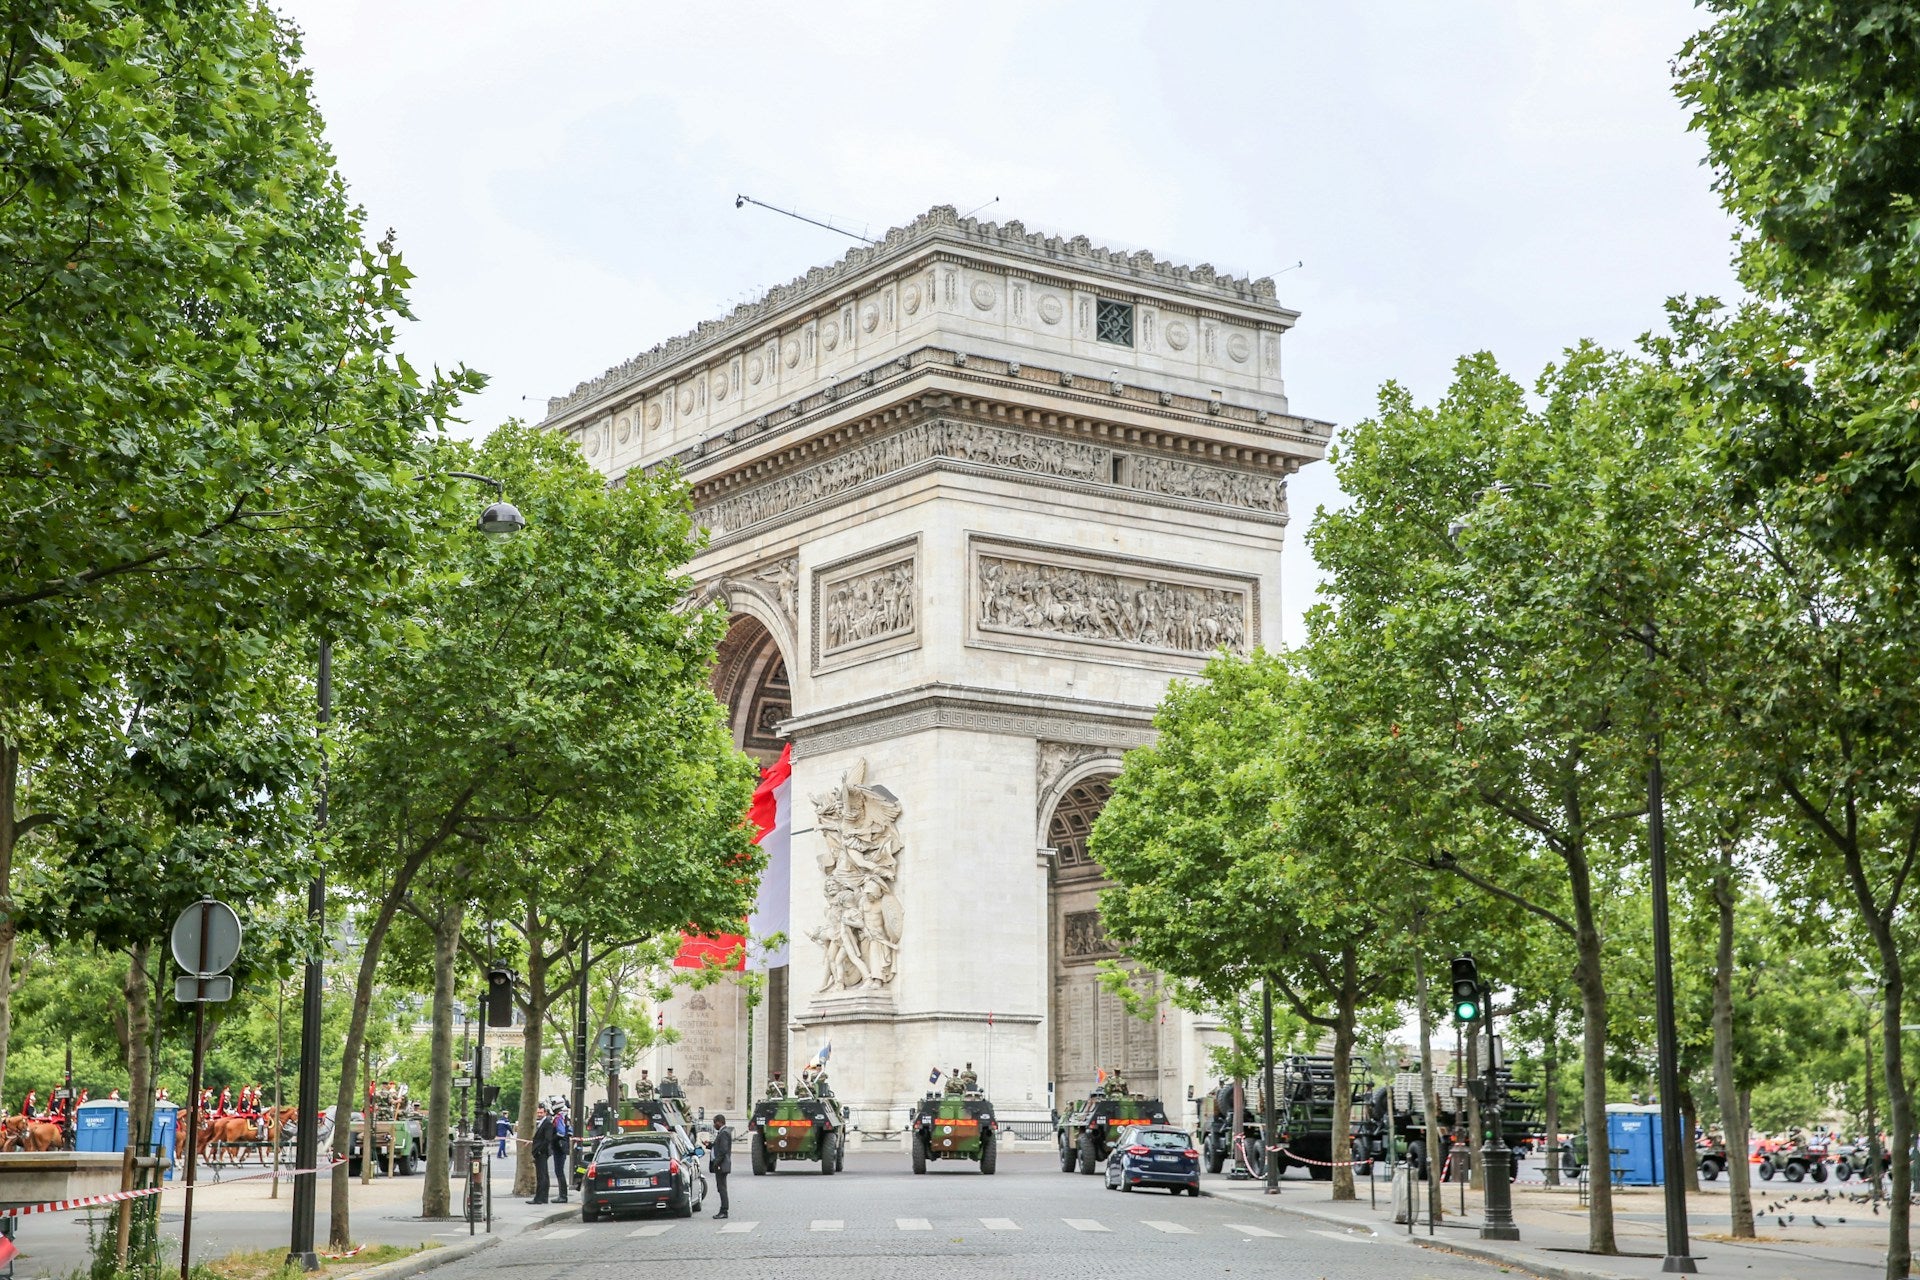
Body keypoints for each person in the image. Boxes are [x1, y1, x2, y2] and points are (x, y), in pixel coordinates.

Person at [527, 1105, 553, 1204]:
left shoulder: (547, 1123)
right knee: (544, 1175)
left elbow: (547, 1139)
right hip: (541, 1152)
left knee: (541, 1176)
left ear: (545, 1113)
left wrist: (539, 1150)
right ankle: (543, 1197)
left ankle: (539, 1198)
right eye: (538, 1113)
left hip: (541, 1153)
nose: (539, 1114)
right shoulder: (543, 1123)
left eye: (541, 1113)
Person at [709, 1114, 731, 1220]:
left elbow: (723, 1150)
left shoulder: (724, 1133)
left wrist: (716, 1163)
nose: (714, 1125)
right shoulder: (723, 1132)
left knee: (722, 1188)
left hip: (721, 1165)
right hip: (721, 1164)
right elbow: (718, 1147)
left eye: (715, 1122)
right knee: (721, 1188)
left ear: (719, 1122)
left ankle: (724, 1211)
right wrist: (710, 1145)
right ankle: (723, 1210)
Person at [551, 1102, 572, 1203]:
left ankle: (563, 1196)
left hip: (558, 1148)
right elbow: (570, 1132)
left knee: (559, 1172)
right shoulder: (566, 1117)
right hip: (563, 1147)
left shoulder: (559, 1117)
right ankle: (563, 1195)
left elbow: (560, 1132)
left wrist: (552, 1138)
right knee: (560, 1171)